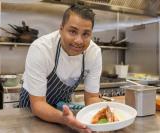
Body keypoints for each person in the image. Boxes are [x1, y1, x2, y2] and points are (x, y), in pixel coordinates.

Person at [19, 3, 102, 133]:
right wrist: (64, 119)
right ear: (61, 29)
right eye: (73, 31)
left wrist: (100, 119)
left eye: (86, 34)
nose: (79, 40)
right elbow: (38, 104)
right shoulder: (41, 49)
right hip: (33, 111)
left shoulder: (94, 53)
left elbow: (91, 97)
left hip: (64, 111)